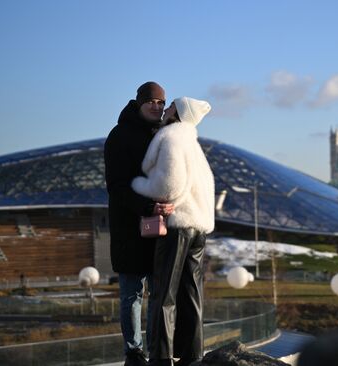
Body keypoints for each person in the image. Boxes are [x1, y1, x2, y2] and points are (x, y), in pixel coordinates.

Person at [131, 97, 215, 366]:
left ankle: (161, 357)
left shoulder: (172, 137)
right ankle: (192, 356)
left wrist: (140, 186)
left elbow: (169, 184)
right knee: (192, 294)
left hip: (178, 226)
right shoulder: (193, 143)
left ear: (178, 114)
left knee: (163, 294)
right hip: (199, 227)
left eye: (170, 107)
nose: (164, 110)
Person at [104, 81, 174, 366]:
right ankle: (133, 352)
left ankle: (158, 347)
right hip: (129, 226)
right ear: (139, 103)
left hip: (160, 226)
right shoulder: (120, 135)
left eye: (161, 103)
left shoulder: (164, 134)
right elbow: (117, 186)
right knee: (132, 293)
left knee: (159, 292)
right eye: (151, 102)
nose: (156, 107)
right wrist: (147, 206)